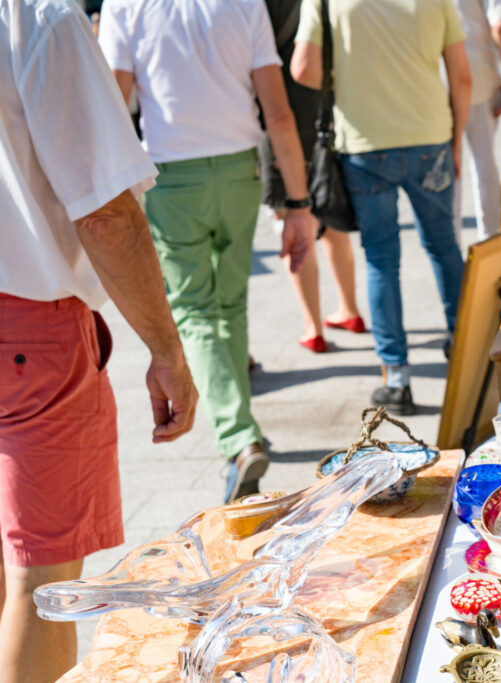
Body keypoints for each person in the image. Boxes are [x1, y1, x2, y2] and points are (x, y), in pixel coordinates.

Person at [0, 1, 198, 679]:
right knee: (40, 585)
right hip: (26, 326)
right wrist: (166, 349)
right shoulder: (41, 18)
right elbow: (107, 214)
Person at [99, 0, 317, 502]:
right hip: (241, 170)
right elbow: (278, 114)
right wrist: (299, 205)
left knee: (195, 308)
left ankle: (239, 438)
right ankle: (241, 429)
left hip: (172, 175)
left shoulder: (125, 6)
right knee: (230, 303)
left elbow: (115, 106)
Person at [292, 0, 472, 415]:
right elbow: (461, 77)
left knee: (381, 259)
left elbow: (303, 69)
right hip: (430, 135)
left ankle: (396, 378)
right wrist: (456, 139)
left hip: (365, 144)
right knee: (444, 247)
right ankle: (467, 349)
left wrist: (350, 77)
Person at [262, 0, 366, 354]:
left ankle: (313, 326)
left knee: (294, 226)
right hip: (326, 116)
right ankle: (349, 309)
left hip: (279, 119)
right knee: (332, 220)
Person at [452, 0, 501, 243]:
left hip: (443, 80)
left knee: (451, 171)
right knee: (484, 163)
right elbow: (500, 26)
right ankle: (490, 240)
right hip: (478, 74)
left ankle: (452, 249)